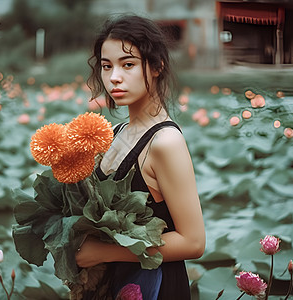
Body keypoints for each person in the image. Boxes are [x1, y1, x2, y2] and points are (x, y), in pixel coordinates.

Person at [75, 14, 205, 300]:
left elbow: (193, 242)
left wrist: (102, 252)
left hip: (154, 284)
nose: (114, 77)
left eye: (128, 64)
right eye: (107, 66)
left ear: (156, 66)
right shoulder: (116, 131)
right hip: (112, 282)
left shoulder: (165, 141)